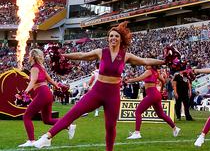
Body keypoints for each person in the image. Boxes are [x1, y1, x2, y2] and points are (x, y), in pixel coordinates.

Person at [34, 22, 165, 150]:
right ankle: (47, 137)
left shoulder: (126, 56)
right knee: (74, 112)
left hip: (113, 95)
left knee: (110, 127)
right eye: (111, 36)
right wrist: (63, 56)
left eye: (116, 36)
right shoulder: (101, 52)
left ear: (121, 39)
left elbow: (146, 61)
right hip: (97, 91)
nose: (113, 38)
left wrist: (165, 61)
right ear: (108, 38)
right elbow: (81, 55)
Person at [19, 49, 76, 148]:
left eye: (29, 55)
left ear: (33, 57)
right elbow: (49, 80)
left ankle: (31, 140)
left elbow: (32, 82)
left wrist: (24, 92)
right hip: (47, 93)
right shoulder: (41, 67)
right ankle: (68, 125)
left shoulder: (34, 68)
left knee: (26, 116)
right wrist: (58, 86)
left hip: (42, 93)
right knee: (47, 120)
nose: (28, 57)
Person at [125, 65, 180, 140]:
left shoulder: (149, 71)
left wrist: (130, 80)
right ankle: (175, 128)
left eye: (147, 64)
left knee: (138, 112)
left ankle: (137, 133)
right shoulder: (155, 72)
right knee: (161, 114)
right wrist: (160, 90)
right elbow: (163, 81)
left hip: (152, 94)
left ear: (150, 65)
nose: (145, 65)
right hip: (156, 94)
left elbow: (140, 78)